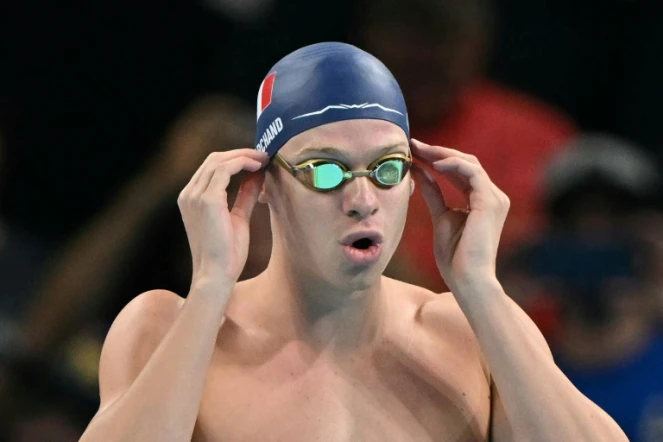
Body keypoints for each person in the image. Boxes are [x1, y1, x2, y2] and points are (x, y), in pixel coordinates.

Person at [80, 43, 626, 441]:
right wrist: (208, 290)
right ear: (264, 184)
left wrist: (481, 289)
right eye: (325, 171)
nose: (363, 198)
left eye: (387, 168)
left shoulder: (468, 333)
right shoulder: (166, 328)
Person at [355, 0, 577, 292]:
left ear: (479, 42)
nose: (421, 57)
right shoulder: (325, 139)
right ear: (367, 38)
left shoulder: (543, 142)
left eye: (442, 37)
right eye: (404, 35)